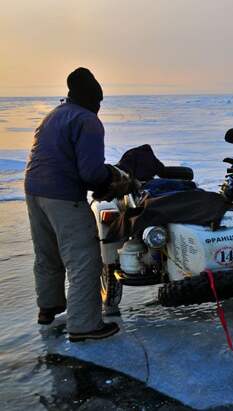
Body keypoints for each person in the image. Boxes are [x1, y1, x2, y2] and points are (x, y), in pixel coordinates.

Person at [25, 67, 125, 342]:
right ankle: (84, 325)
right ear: (93, 99)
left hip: (34, 190)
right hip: (63, 195)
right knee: (83, 259)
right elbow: (91, 173)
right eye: (99, 101)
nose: (99, 107)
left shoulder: (55, 115)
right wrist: (110, 181)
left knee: (47, 252)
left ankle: (49, 307)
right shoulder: (87, 121)